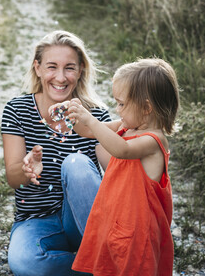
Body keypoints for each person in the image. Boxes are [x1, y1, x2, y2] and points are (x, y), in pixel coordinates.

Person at [1, 30, 112, 276]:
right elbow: (12, 178)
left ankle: (103, 254)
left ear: (81, 70)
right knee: (25, 263)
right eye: (52, 67)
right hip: (36, 221)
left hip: (86, 220)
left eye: (69, 68)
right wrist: (26, 169)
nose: (60, 77)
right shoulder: (17, 110)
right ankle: (106, 268)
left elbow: (115, 171)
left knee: (76, 163)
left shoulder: (97, 115)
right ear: (37, 68)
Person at [70, 58, 179, 275]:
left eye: (121, 104)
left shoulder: (153, 141)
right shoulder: (126, 126)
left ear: (146, 107)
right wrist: (74, 117)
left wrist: (91, 120)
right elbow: (89, 132)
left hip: (139, 232)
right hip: (117, 221)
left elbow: (122, 150)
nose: (117, 110)